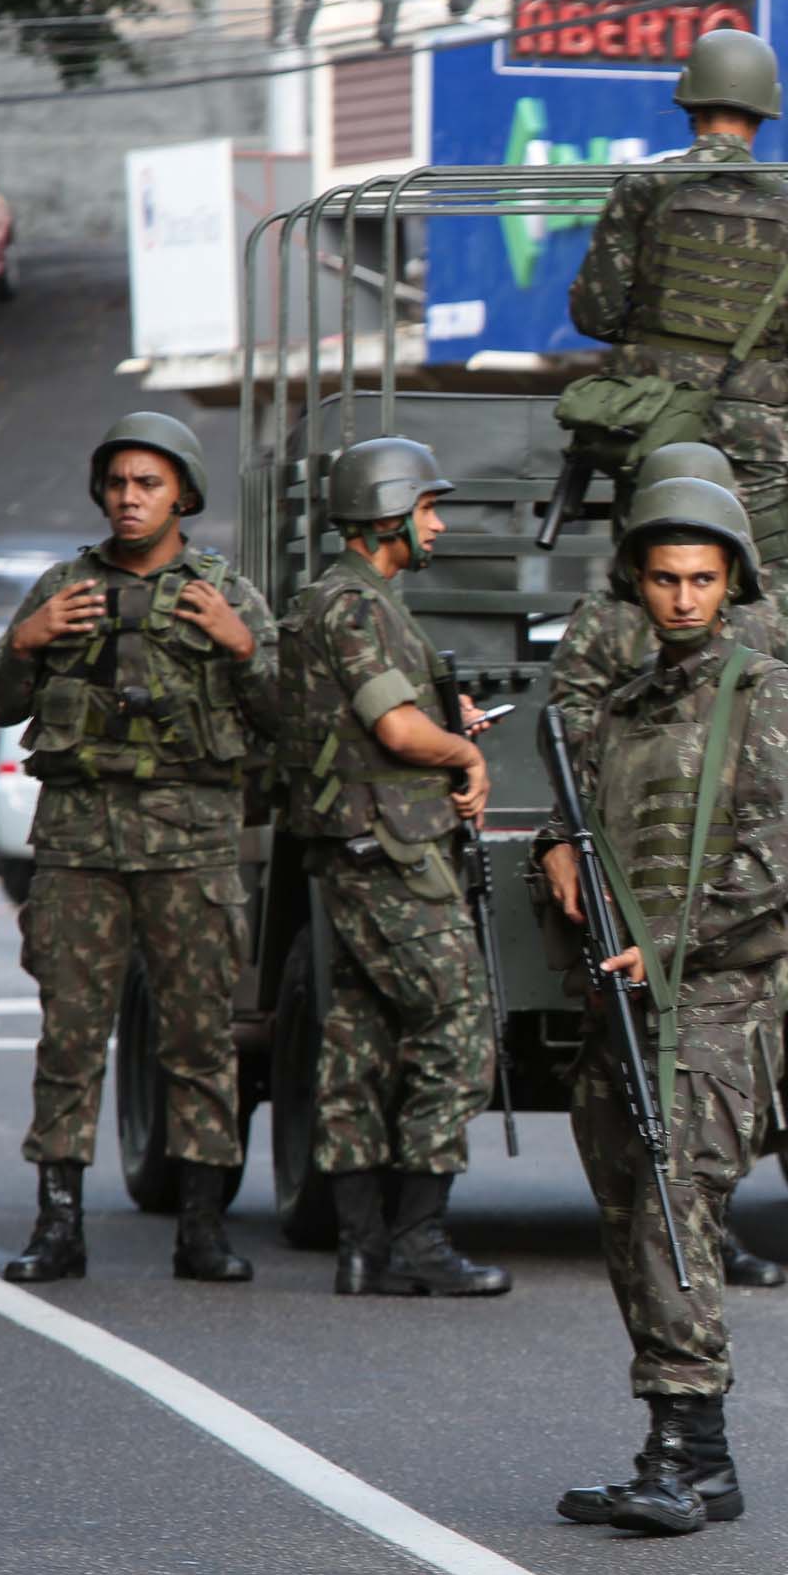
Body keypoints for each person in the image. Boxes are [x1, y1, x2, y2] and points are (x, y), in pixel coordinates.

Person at [537, 479, 788, 1535]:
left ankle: (683, 1445)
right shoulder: (621, 708)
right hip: (619, 997)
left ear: (734, 581)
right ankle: (693, 1457)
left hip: (711, 1000)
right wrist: (553, 850)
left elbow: (786, 851)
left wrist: (668, 940)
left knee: (676, 1214)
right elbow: (592, 826)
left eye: (703, 577)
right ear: (637, 584)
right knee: (628, 1215)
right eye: (664, 578)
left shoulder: (768, 692)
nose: (683, 597)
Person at [0, 412, 275, 1286]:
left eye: (147, 484)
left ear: (182, 492)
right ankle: (58, 1224)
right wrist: (23, 644)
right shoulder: (61, 588)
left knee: (198, 1042)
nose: (128, 499)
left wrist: (244, 647)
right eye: (116, 484)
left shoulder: (226, 594)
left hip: (191, 849)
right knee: (70, 1040)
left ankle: (201, 1228)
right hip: (80, 847)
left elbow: (286, 717)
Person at [277, 436, 511, 1299]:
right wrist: (464, 757)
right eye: (427, 510)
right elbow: (397, 733)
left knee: (360, 1040)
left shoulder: (339, 603)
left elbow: (377, 716)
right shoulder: (355, 606)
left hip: (359, 851)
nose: (438, 525)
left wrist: (447, 717)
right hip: (392, 855)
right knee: (458, 1024)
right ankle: (417, 1237)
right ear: (388, 518)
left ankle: (361, 1247)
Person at [566, 27, 788, 583]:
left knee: (655, 577)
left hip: (655, 418)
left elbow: (595, 314)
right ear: (764, 113)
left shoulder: (645, 188)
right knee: (767, 578)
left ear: (689, 104)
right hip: (757, 423)